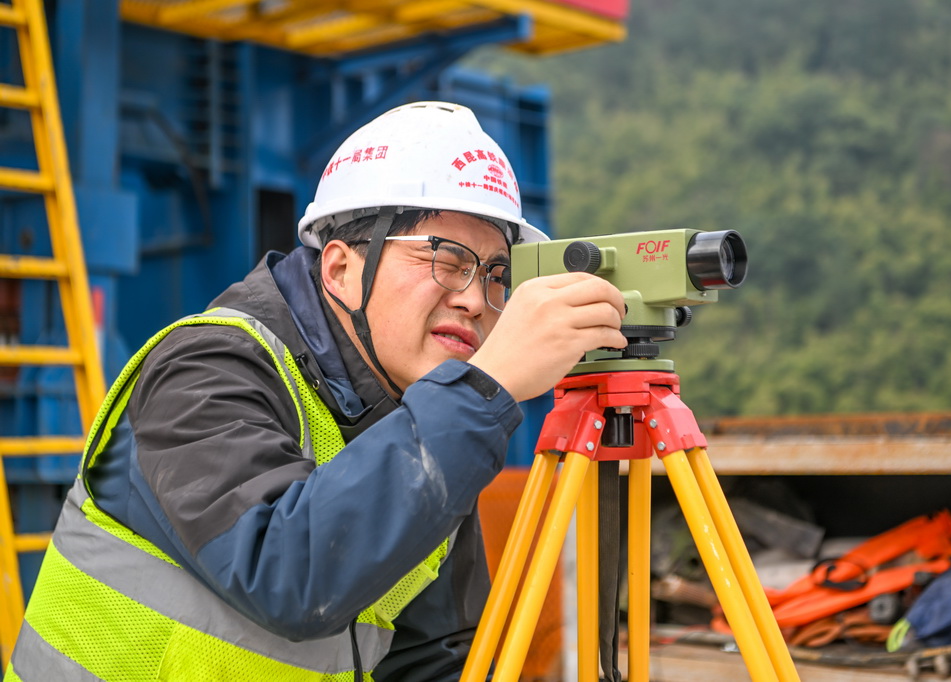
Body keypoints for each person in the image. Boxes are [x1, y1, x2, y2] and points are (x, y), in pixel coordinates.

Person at [7, 101, 626, 680]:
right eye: (446, 258)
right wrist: (487, 386)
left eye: (495, 273)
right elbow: (287, 575)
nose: (474, 298)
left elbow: (432, 658)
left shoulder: (425, 422)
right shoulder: (205, 368)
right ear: (340, 268)